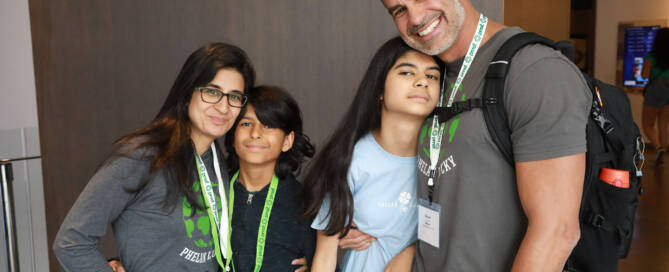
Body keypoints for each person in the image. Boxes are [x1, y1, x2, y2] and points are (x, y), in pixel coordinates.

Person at [335, 0, 591, 271]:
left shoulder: (536, 71)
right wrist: (367, 218)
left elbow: (556, 232)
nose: (416, 18)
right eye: (399, 10)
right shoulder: (430, 72)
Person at [52, 42, 255, 272]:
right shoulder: (142, 156)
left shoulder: (218, 162)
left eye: (235, 97)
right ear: (188, 93)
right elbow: (71, 242)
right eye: (212, 92)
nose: (223, 107)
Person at [303, 37, 442, 271]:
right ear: (379, 90)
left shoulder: (445, 159)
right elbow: (325, 258)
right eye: (407, 73)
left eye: (432, 76)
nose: (422, 82)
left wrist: (409, 253)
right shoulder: (350, 159)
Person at [223, 85, 316, 272]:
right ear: (233, 136)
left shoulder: (305, 204)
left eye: (268, 125)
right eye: (246, 124)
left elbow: (327, 264)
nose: (256, 133)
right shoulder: (213, 191)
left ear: (287, 141)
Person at [641, 27, 669, 165]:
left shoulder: (651, 56)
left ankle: (658, 148)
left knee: (647, 125)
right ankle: (663, 152)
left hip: (655, 90)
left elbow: (644, 75)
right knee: (664, 126)